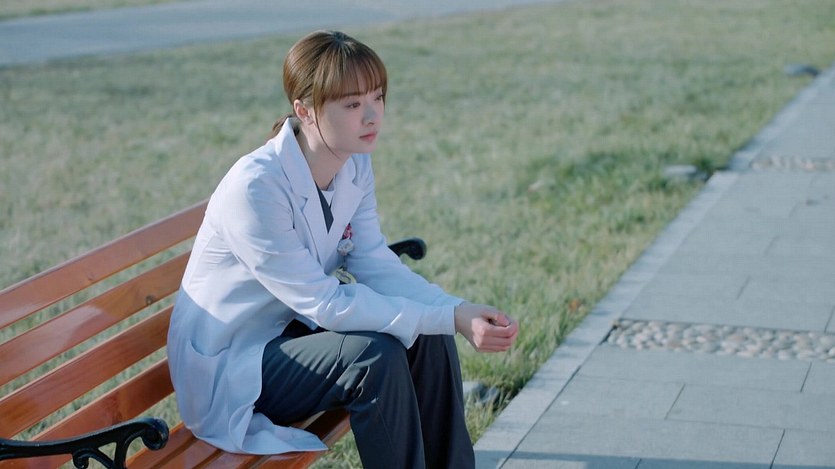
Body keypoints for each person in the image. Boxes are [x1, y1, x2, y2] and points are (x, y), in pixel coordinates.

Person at [167, 30, 519, 469]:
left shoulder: (354, 163)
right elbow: (324, 303)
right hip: (236, 365)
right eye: (352, 105)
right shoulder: (256, 187)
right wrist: (448, 317)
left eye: (378, 97)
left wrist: (456, 310)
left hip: (292, 336)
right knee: (374, 358)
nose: (372, 116)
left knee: (427, 336)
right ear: (305, 111)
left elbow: (373, 262)